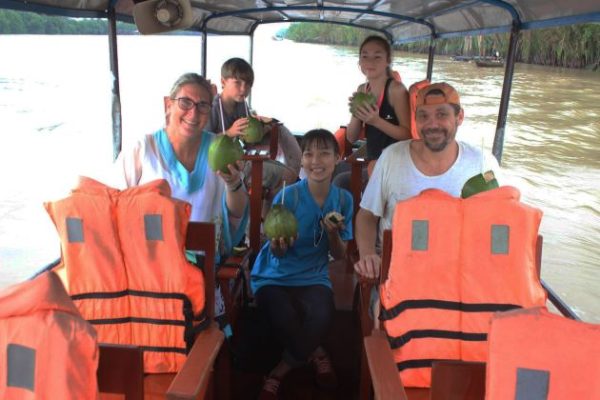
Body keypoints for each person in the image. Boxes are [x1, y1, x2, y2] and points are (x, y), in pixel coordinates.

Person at [114, 72, 249, 325]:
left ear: (209, 111)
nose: (193, 113)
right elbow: (114, 210)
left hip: (201, 269)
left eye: (202, 106)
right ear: (168, 104)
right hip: (147, 267)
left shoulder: (220, 148)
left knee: (188, 318)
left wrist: (233, 183)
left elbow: (236, 215)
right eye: (184, 102)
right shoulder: (142, 149)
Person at [354, 82, 501, 279]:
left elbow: (500, 225)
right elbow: (366, 216)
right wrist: (368, 254)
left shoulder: (483, 164)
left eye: (442, 114)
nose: (432, 124)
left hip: (458, 277)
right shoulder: (391, 157)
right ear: (415, 119)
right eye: (424, 116)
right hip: (396, 274)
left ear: (460, 117)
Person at [250, 129, 353, 399]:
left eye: (324, 153)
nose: (315, 161)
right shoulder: (288, 197)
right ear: (302, 159)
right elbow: (277, 253)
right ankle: (317, 353)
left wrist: (332, 233)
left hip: (313, 275)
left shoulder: (343, 200)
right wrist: (278, 246)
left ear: (337, 158)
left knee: (322, 313)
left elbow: (340, 255)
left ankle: (278, 372)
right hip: (274, 274)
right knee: (281, 314)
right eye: (308, 153)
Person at [205, 57, 301, 214]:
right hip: (221, 167)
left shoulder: (241, 104)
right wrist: (229, 133)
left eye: (248, 84)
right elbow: (202, 143)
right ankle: (261, 220)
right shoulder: (212, 108)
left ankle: (263, 219)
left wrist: (262, 128)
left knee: (288, 171)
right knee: (288, 176)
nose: (244, 89)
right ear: (223, 82)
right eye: (238, 83)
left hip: (240, 160)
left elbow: (247, 140)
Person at [333, 35, 411, 189]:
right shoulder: (363, 89)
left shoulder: (396, 90)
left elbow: (407, 135)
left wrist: (376, 121)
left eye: (377, 56)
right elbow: (351, 137)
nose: (370, 62)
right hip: (372, 159)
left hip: (393, 165)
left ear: (387, 60)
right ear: (359, 61)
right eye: (365, 56)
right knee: (335, 169)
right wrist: (357, 112)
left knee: (340, 181)